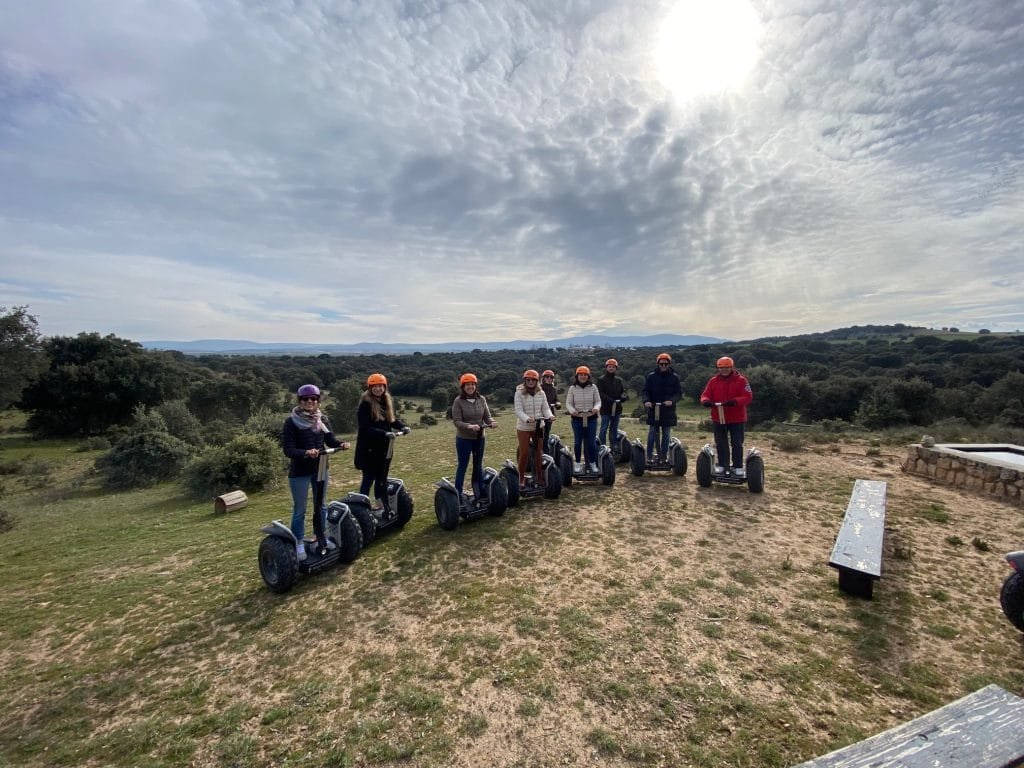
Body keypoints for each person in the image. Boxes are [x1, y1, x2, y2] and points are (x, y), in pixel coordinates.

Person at [282, 384, 350, 561]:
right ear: (300, 401)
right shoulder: (291, 422)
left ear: (318, 401)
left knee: (321, 505)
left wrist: (341, 444)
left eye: (313, 399)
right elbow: (288, 449)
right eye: (305, 399)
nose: (310, 402)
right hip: (300, 472)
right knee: (300, 509)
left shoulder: (323, 419)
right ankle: (298, 543)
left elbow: (330, 439)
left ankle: (321, 537)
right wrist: (305, 452)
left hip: (320, 468)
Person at [355, 373, 408, 514]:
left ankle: (382, 506)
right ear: (370, 388)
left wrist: (402, 427)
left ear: (384, 387)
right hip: (369, 450)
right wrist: (384, 433)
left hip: (384, 449)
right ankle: (362, 510)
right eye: (375, 386)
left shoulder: (386, 401)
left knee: (382, 479)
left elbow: (391, 420)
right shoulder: (365, 405)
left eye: (381, 386)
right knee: (368, 479)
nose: (378, 389)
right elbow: (365, 428)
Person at [700, 356, 753, 477]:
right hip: (718, 417)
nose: (724, 370)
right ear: (718, 368)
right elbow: (705, 394)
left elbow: (748, 396)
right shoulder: (713, 381)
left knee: (737, 443)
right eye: (721, 368)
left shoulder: (741, 380)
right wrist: (706, 401)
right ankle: (722, 465)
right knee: (720, 442)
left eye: (726, 367)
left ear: (732, 367)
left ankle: (738, 466)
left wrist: (735, 401)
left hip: (736, 418)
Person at [451, 373, 497, 500]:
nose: (470, 387)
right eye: (467, 385)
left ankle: (479, 490)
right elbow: (457, 421)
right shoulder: (458, 401)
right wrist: (469, 426)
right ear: (463, 387)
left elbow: (487, 416)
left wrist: (491, 422)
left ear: (476, 385)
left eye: (472, 384)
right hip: (464, 439)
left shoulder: (481, 399)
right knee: (463, 464)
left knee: (478, 465)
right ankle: (458, 492)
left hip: (480, 437)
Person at [514, 369, 553, 487]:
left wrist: (550, 416)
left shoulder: (541, 393)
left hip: (538, 426)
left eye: (533, 380)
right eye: (528, 380)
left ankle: (539, 477)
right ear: (525, 381)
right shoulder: (519, 392)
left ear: (537, 381)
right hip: (524, 427)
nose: (530, 382)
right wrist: (526, 418)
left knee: (538, 453)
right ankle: (521, 477)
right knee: (524, 452)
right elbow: (518, 410)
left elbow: (545, 408)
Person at [641, 353, 682, 463]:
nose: (663, 365)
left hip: (668, 410)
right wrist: (646, 401)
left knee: (666, 434)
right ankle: (649, 456)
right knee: (652, 432)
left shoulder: (674, 377)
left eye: (666, 363)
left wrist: (672, 401)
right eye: (661, 363)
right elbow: (645, 391)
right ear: (658, 364)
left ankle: (664, 457)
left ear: (669, 364)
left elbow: (678, 393)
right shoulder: (651, 376)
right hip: (654, 409)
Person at [566, 365, 601, 473]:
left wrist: (595, 408)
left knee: (591, 442)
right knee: (577, 442)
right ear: (577, 376)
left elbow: (598, 401)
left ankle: (592, 462)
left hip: (591, 418)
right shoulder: (572, 388)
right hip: (577, 418)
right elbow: (568, 403)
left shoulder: (593, 387)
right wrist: (573, 411)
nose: (583, 377)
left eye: (585, 375)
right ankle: (577, 462)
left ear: (588, 376)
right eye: (581, 375)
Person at [596, 358, 628, 447]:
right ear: (606, 368)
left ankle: (613, 446)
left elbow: (623, 391)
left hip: (617, 408)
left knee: (614, 429)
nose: (611, 368)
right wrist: (610, 399)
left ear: (616, 368)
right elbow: (600, 393)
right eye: (609, 367)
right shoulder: (601, 380)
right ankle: (602, 446)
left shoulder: (619, 380)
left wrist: (623, 397)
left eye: (613, 367)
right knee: (604, 428)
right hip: (606, 408)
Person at [540, 369, 560, 447]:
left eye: (551, 377)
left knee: (547, 434)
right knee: (540, 434)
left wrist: (557, 403)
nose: (549, 379)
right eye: (547, 377)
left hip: (550, 414)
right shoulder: (539, 388)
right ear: (543, 378)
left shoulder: (553, 389)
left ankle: (545, 450)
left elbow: (555, 399)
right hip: (540, 414)